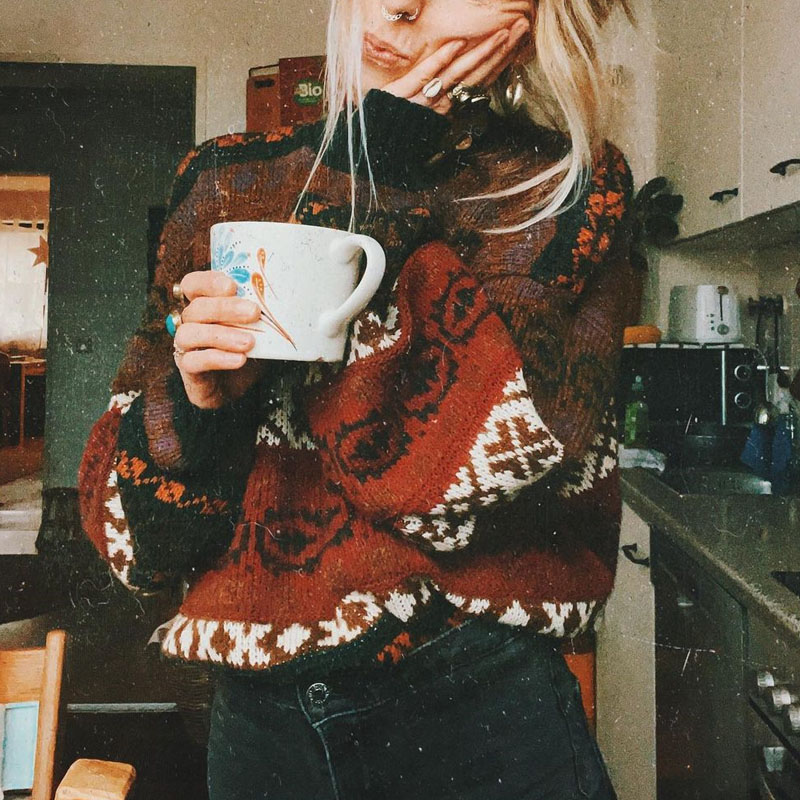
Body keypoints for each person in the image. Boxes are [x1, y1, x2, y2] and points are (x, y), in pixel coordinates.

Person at [78, 0, 638, 797]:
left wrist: (377, 167)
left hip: (482, 710)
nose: (401, 4)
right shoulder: (220, 179)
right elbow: (134, 542)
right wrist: (200, 402)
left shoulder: (564, 186)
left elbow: (443, 478)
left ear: (527, 22)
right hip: (261, 730)